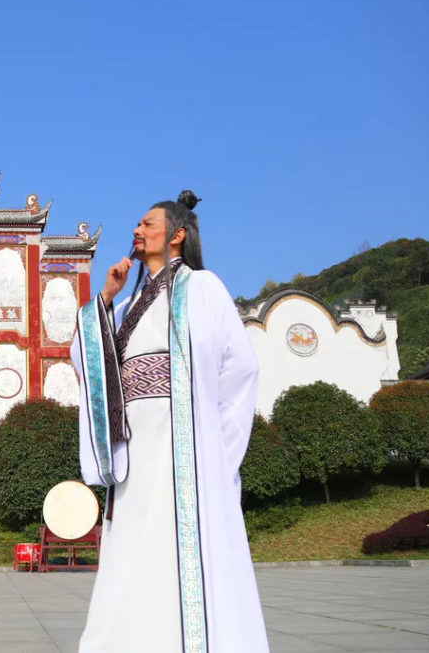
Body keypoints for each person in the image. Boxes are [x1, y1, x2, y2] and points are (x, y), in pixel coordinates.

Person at [70, 191, 269, 652]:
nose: (136, 230)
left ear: (177, 234)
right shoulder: (126, 306)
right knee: (131, 553)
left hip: (184, 445)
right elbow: (86, 360)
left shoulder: (203, 288)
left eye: (147, 223)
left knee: (179, 550)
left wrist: (214, 448)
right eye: (136, 225)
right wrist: (104, 297)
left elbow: (240, 370)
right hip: (135, 444)